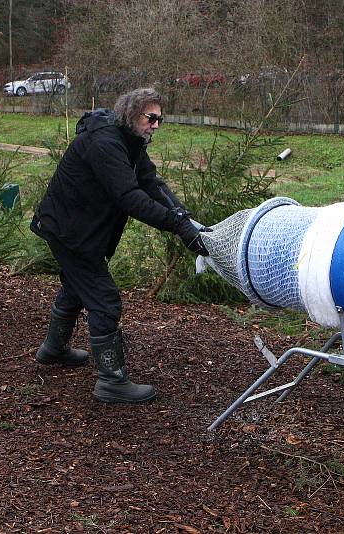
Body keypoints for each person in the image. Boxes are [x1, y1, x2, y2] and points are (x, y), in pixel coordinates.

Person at [30, 87, 209, 404]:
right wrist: (175, 224)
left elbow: (151, 183)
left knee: (75, 286)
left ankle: (53, 349)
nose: (155, 125)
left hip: (80, 229)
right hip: (69, 230)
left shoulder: (131, 142)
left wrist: (184, 218)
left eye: (160, 119)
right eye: (150, 118)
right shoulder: (106, 143)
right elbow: (129, 197)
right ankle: (111, 382)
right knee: (104, 299)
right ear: (131, 114)